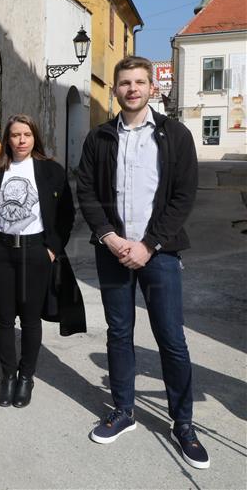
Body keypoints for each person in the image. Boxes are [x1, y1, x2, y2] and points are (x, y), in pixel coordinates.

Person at [76, 56, 209, 469]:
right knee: (119, 333)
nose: (131, 89)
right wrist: (110, 237)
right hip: (113, 250)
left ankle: (182, 423)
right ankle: (123, 411)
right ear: (114, 90)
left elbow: (183, 196)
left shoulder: (175, 135)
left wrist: (149, 244)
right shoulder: (99, 138)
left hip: (160, 254)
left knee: (171, 338)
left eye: (139, 82)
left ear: (152, 87)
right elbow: (87, 191)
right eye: (124, 83)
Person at [0, 114, 78, 408]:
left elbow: (67, 214)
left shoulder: (50, 170)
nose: (21, 140)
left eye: (26, 134)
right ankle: (8, 377)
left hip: (36, 253)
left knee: (29, 320)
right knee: (3, 318)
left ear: (34, 137)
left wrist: (52, 249)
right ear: (8, 139)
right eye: (15, 135)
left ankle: (26, 376)